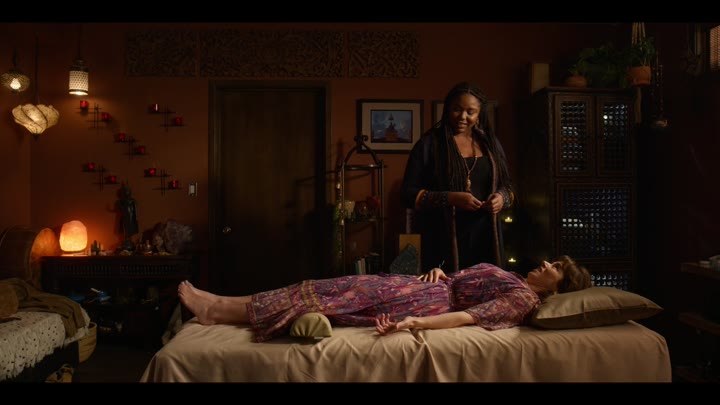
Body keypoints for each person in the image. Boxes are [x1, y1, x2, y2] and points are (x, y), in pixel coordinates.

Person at [178, 255, 592, 343]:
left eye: (555, 266)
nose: (545, 262)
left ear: (559, 288)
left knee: (326, 299)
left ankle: (217, 312)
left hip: (419, 304)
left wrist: (414, 324)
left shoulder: (522, 299)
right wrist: (441, 273)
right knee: (321, 286)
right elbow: (463, 283)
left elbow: (468, 317)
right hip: (420, 287)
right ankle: (223, 301)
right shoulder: (517, 280)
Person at [401, 81, 514, 273]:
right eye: (457, 109)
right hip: (442, 239)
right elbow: (407, 194)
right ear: (447, 109)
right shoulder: (429, 144)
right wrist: (450, 198)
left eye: (470, 112)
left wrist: (501, 198)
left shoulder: (490, 143)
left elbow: (508, 187)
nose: (462, 117)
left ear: (479, 114)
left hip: (487, 238)